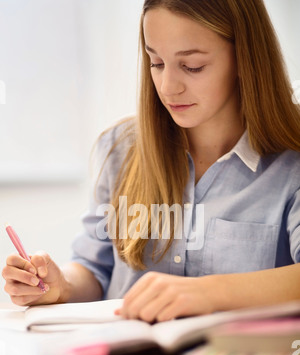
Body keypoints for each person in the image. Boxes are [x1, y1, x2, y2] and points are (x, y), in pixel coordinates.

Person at [2, 0, 300, 323]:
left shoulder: (290, 164)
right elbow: (94, 269)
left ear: (245, 58)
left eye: (193, 66)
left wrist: (206, 293)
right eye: (156, 63)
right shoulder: (119, 150)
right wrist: (60, 286)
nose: (168, 87)